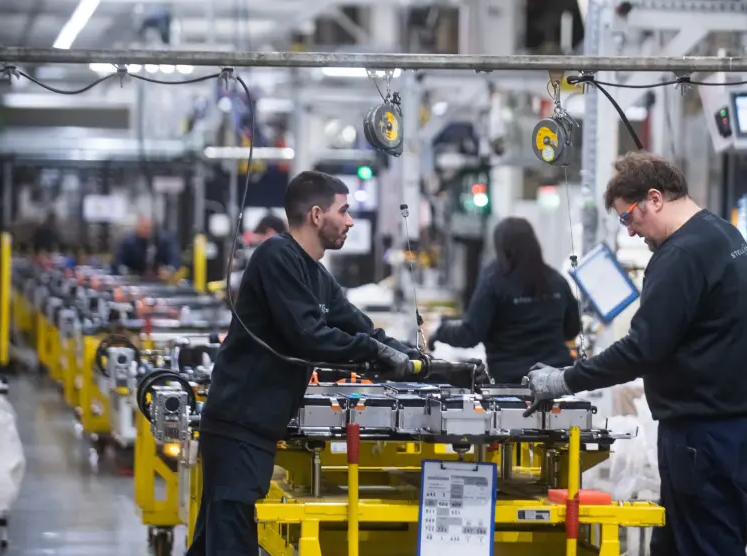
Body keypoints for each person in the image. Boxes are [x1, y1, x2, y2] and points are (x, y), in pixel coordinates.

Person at [524, 152, 747, 556]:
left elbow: (643, 348)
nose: (633, 232)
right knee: (674, 543)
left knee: (709, 546)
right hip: (731, 425)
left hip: (702, 434)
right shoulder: (724, 234)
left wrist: (564, 379)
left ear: (654, 198)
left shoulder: (680, 255)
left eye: (629, 218)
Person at [189, 171, 426, 556]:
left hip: (256, 428)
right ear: (317, 215)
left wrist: (415, 359)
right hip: (237, 426)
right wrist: (374, 352)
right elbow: (309, 334)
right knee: (230, 543)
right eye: (344, 211)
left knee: (215, 543)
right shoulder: (275, 257)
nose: (350, 221)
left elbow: (357, 325)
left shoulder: (315, 274)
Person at [428, 217, 581, 383]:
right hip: (557, 379)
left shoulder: (494, 280)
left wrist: (440, 332)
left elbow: (470, 334)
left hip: (512, 382)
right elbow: (572, 328)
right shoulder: (556, 280)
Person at [111, 215, 181, 278]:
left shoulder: (164, 240)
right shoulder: (127, 241)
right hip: (133, 278)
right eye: (142, 227)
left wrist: (169, 269)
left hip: (159, 279)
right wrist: (126, 273)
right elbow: (117, 262)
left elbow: (174, 257)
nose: (145, 230)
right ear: (136, 227)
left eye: (148, 228)